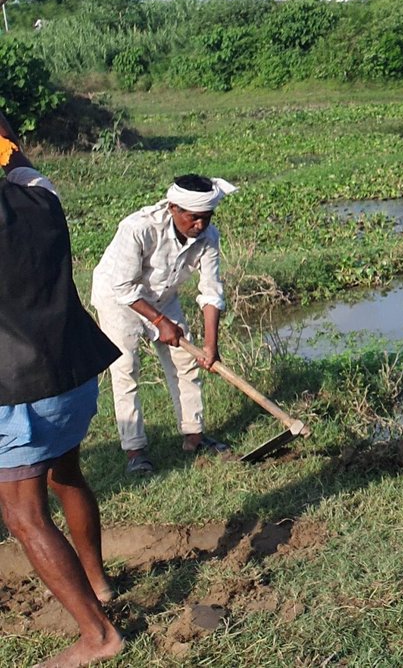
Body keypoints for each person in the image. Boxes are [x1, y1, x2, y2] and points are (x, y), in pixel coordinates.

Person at [0, 113, 124, 666]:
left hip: (16, 388)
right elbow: (20, 159)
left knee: (24, 516)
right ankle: (100, 586)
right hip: (70, 377)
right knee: (65, 473)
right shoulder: (41, 197)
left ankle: (98, 637)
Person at [91, 175, 235, 475]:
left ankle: (194, 436)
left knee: (187, 362)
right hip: (118, 298)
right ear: (173, 208)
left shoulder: (208, 237)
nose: (200, 225)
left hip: (163, 296)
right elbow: (124, 287)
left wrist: (210, 346)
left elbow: (211, 291)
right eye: (194, 218)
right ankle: (135, 451)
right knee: (126, 369)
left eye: (206, 218)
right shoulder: (138, 228)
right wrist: (160, 322)